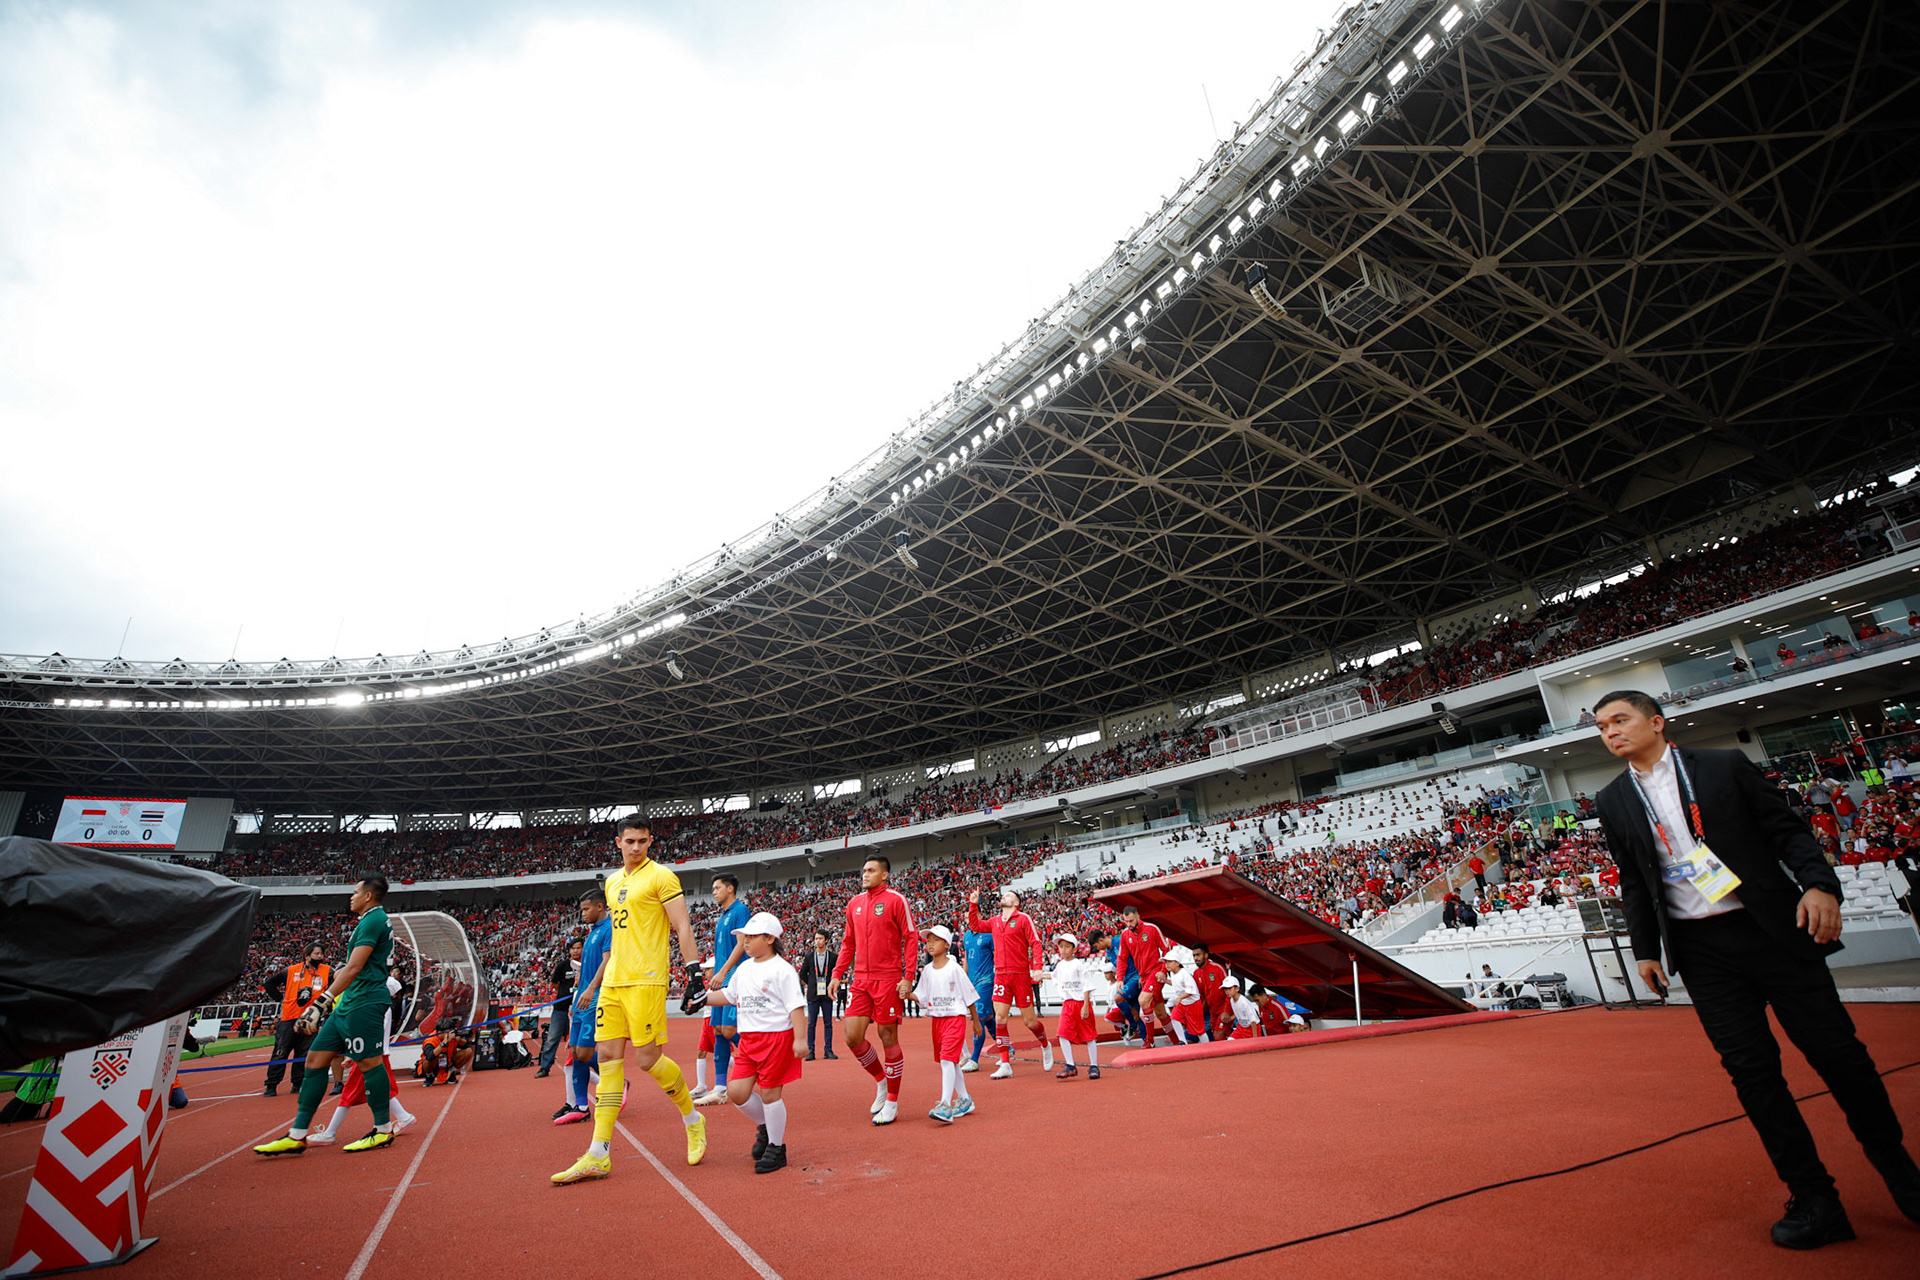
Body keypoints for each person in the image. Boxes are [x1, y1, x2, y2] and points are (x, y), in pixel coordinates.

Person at [1591, 690, 1917, 1247]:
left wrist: (1819, 884)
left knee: (1840, 1056)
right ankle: (1815, 1198)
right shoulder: (1613, 797)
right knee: (1753, 1076)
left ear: (1656, 722)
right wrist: (1645, 949)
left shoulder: (1721, 766)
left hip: (1770, 929)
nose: (1610, 732)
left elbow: (1786, 830)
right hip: (1700, 950)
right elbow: (1633, 877)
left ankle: (1902, 1175)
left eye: (1620, 720)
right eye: (1601, 727)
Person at [551, 814, 706, 1185]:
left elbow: (682, 925)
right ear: (617, 842)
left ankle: (692, 1119)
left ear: (650, 841)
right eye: (629, 841)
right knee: (606, 1059)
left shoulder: (662, 877)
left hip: (647, 980)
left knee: (650, 1060)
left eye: (642, 841)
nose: (636, 847)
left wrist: (694, 972)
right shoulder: (612, 881)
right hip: (615, 983)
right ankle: (598, 1153)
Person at [255, 876, 400, 1155]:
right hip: (349, 1004)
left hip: (365, 1002)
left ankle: (383, 1129)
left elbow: (354, 967)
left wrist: (321, 1001)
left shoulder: (373, 920)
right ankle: (297, 1135)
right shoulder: (370, 919)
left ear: (368, 896)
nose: (352, 896)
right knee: (315, 1059)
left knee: (370, 1063)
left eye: (356, 892)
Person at [704, 911, 805, 1174]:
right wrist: (701, 1000)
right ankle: (766, 1125)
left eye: (750, 937)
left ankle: (776, 1146)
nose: (745, 942)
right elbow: (728, 994)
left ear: (770, 938)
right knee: (737, 1092)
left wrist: (800, 1039)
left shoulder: (783, 969)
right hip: (748, 1040)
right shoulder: (744, 968)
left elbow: (796, 1006)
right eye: (743, 937)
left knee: (771, 1094)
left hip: (776, 1039)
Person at [830, 855, 917, 1125]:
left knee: (887, 1035)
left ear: (885, 875)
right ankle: (881, 1080)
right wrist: (837, 974)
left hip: (888, 978)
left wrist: (908, 976)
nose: (864, 874)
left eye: (871, 870)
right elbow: (848, 943)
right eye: (863, 869)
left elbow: (910, 937)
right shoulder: (854, 903)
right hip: (861, 980)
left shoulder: (896, 900)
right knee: (852, 1037)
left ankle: (892, 1100)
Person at [307, 974, 419, 1144]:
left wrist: (352, 1055)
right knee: (382, 1091)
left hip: (370, 1055)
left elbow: (370, 1033)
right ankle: (404, 1117)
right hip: (379, 1054)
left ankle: (330, 1133)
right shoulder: (384, 1007)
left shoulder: (377, 1008)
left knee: (348, 1095)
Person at [967, 887, 1052, 1078]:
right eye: (1004, 895)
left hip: (1020, 975)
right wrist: (973, 904)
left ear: (1016, 903)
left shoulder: (1023, 919)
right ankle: (1005, 1063)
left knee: (1029, 1022)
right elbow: (976, 926)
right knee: (1000, 1018)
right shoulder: (995, 921)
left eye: (1008, 896)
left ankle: (1045, 1044)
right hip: (1001, 976)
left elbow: (1035, 943)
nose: (1003, 896)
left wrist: (1038, 967)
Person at [909, 925, 979, 1121]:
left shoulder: (954, 968)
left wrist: (976, 1022)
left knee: (947, 1060)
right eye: (928, 940)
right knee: (950, 1061)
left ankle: (945, 1105)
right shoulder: (928, 971)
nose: (930, 944)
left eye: (936, 940)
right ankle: (965, 1099)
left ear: (947, 944)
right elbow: (921, 995)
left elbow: (969, 995)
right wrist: (908, 994)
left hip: (955, 1018)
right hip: (937, 1020)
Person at [555, 886, 612, 1125]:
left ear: (600, 906)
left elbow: (608, 961)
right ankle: (581, 1106)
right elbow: (585, 971)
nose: (583, 914)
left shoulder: (609, 929)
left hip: (595, 998)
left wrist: (590, 990)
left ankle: (615, 1081)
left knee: (586, 1052)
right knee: (576, 1053)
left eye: (586, 909)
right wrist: (579, 993)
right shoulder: (591, 934)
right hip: (582, 1001)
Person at [698, 874, 752, 1105]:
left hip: (733, 978)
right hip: (721, 977)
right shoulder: (722, 917)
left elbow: (742, 944)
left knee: (729, 1030)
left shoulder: (740, 911)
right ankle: (720, 1087)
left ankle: (759, 1060)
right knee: (719, 1030)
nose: (714, 891)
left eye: (718, 888)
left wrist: (723, 972)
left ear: (730, 889)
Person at [263, 944, 331, 1097]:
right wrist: (281, 999)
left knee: (303, 1053)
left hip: (310, 1019)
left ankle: (297, 1083)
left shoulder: (327, 971)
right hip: (289, 1017)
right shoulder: (291, 970)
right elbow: (269, 983)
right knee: (281, 1052)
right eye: (316, 954)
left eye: (321, 954)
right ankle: (271, 1085)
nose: (320, 957)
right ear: (307, 956)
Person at [1111, 905, 1168, 1047]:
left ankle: (1150, 1040)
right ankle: (1178, 1040)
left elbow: (1166, 949)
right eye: (1126, 922)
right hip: (1143, 976)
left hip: (1155, 972)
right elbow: (1122, 958)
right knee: (1160, 1012)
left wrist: (1163, 970)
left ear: (1138, 917)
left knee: (1143, 1001)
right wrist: (1119, 979)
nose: (1129, 924)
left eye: (1131, 921)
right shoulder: (1125, 934)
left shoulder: (1152, 928)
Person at [1048, 934, 1101, 1080]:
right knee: (1062, 1034)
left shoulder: (1078, 965)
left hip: (1080, 1002)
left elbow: (1086, 985)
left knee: (1089, 1036)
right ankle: (1070, 1065)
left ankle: (1094, 1065)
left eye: (1067, 946)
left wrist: (1085, 1005)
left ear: (1074, 948)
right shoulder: (1060, 965)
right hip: (1067, 1004)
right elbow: (1054, 977)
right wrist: (1038, 976)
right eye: (1061, 946)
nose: (1063, 950)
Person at [960, 916, 999, 1072]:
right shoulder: (967, 936)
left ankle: (974, 1059)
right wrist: (963, 979)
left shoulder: (989, 935)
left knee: (979, 1018)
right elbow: (967, 960)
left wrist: (998, 978)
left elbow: (997, 957)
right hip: (972, 983)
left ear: (980, 916)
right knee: (988, 1017)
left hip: (986, 981)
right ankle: (1006, 1047)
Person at [797, 930, 837, 1061]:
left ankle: (828, 1050)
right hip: (813, 995)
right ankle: (811, 1051)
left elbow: (836, 973)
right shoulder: (809, 957)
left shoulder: (832, 957)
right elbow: (802, 974)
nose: (817, 941)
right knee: (811, 1024)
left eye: (820, 938)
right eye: (816, 939)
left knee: (828, 1023)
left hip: (827, 994)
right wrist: (811, 984)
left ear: (826, 940)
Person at [1159, 947, 1204, 1044]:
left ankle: (1207, 1046)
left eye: (1170, 962)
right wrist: (1165, 981)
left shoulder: (1184, 974)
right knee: (1174, 1017)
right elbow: (1177, 984)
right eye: (1166, 962)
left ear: (1177, 963)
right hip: (1184, 1003)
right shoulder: (1174, 973)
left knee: (1199, 1030)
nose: (1167, 964)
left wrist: (1179, 998)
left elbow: (1190, 991)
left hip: (1193, 1003)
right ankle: (1182, 1041)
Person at [1189, 943, 1229, 1041]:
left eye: (1198, 955)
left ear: (1206, 955)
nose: (1195, 958)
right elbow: (1201, 996)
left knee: (1218, 1036)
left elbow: (1230, 990)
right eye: (1194, 955)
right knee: (1214, 1038)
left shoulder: (1217, 968)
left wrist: (1226, 1011)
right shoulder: (1196, 973)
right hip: (1212, 1012)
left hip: (1224, 1009)